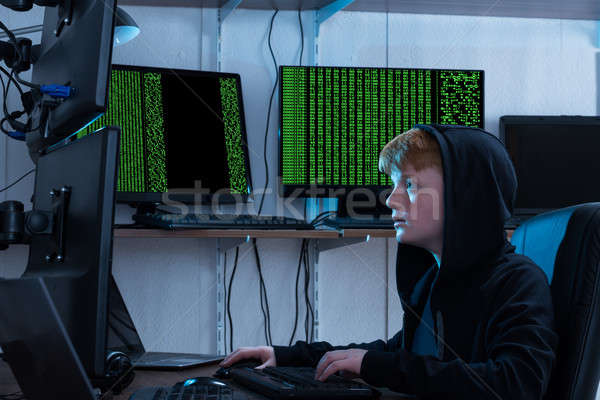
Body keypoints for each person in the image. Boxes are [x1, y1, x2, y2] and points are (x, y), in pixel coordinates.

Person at [220, 124, 558, 399]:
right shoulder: (436, 281)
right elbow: (397, 353)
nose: (391, 198)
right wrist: (286, 356)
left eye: (408, 184)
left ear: (463, 196)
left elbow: (518, 384)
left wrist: (379, 367)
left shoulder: (518, 282)